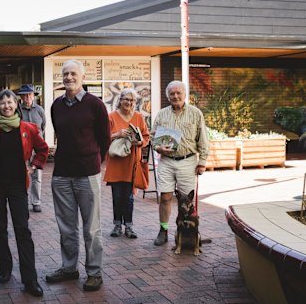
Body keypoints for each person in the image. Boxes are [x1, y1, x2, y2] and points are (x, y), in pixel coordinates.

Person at [46, 60, 110, 292]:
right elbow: (60, 135)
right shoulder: (56, 105)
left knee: (91, 227)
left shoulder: (95, 105)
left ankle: (94, 272)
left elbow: (104, 140)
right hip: (62, 173)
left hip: (87, 174)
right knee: (66, 226)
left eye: (73, 73)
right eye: (65, 74)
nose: (69, 77)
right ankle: (69, 267)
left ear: (83, 77)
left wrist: (93, 160)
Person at [0, 89, 48, 297]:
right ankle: (5, 269)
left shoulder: (29, 128)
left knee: (22, 230)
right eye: (2, 103)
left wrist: (34, 166)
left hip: (18, 185)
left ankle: (30, 279)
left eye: (10, 102)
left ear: (16, 104)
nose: (6, 106)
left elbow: (43, 150)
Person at [151, 80, 209, 246]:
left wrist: (202, 161)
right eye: (172, 94)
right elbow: (153, 138)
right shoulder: (162, 114)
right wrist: (158, 147)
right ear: (167, 96)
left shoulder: (195, 113)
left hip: (188, 161)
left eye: (178, 93)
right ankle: (163, 230)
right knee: (165, 197)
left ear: (185, 95)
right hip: (167, 162)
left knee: (186, 201)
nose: (175, 96)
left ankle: (188, 232)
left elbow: (203, 139)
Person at [104, 88, 150, 239]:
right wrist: (118, 134)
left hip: (132, 163)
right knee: (117, 195)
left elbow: (146, 138)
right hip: (116, 163)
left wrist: (139, 141)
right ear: (120, 100)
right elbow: (103, 138)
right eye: (126, 99)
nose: (129, 103)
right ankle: (117, 225)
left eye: (132, 100)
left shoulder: (138, 117)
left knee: (129, 197)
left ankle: (129, 226)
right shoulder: (111, 117)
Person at [17, 84, 46, 213]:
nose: (27, 97)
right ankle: (22, 200)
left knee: (37, 176)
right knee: (21, 174)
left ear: (33, 95)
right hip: (22, 147)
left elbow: (43, 126)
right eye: (24, 95)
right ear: (21, 97)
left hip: (37, 148)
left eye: (29, 94)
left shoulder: (39, 110)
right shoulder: (17, 110)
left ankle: (36, 202)